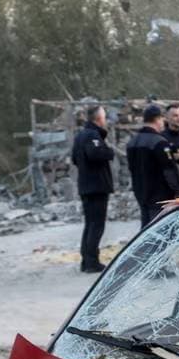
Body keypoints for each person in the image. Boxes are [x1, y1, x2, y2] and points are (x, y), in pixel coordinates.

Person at [70, 104, 115, 273]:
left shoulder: (80, 136)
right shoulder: (92, 135)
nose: (105, 120)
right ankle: (91, 262)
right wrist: (108, 151)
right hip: (96, 186)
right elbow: (95, 154)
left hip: (86, 186)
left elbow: (75, 158)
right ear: (98, 119)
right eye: (104, 117)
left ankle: (87, 260)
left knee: (90, 224)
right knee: (96, 225)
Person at [126, 104, 179, 228]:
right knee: (160, 230)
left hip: (141, 193)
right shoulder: (159, 142)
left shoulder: (132, 143)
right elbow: (169, 170)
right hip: (159, 196)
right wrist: (178, 192)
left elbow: (131, 168)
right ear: (157, 119)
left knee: (146, 230)